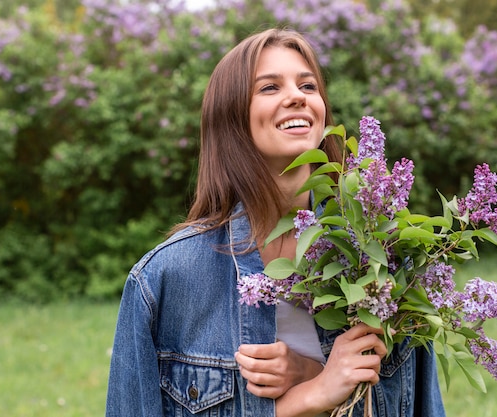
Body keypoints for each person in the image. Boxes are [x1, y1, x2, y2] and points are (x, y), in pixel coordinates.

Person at [106, 28, 446, 417]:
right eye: (269, 87)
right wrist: (312, 393)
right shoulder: (164, 280)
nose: (297, 96)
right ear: (231, 117)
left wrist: (309, 370)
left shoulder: (384, 261)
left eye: (308, 85)